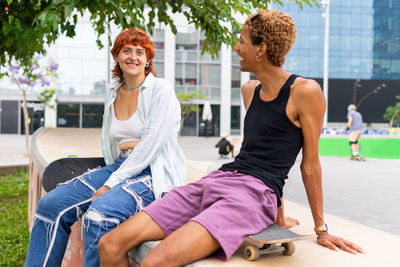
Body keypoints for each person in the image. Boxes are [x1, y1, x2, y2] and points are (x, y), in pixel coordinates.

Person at [98, 10, 364, 267]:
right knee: (109, 244)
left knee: (155, 261)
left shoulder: (305, 91)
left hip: (252, 195)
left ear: (261, 49)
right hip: (219, 179)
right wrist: (281, 217)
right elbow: (262, 149)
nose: (236, 48)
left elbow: (309, 164)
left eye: (242, 41)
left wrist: (321, 229)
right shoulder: (249, 90)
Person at [24, 28, 185, 267]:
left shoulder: (160, 90)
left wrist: (111, 183)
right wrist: (108, 174)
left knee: (98, 216)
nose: (133, 57)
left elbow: (151, 145)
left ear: (148, 59)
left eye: (140, 52)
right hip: (121, 166)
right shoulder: (113, 91)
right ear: (117, 56)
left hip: (154, 172)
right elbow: (110, 141)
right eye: (127, 50)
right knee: (50, 205)